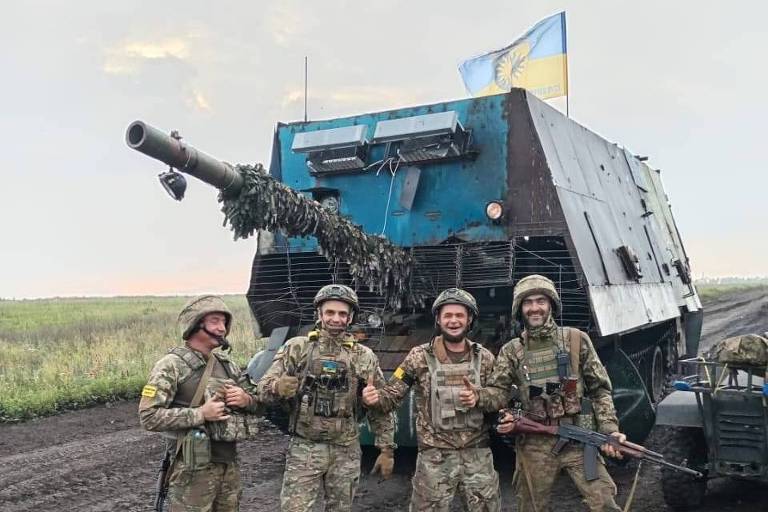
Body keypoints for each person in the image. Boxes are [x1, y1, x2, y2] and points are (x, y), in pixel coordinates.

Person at [475, 275, 626, 512]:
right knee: (531, 507)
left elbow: (600, 389)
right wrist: (478, 397)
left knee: (604, 502)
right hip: (534, 442)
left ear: (551, 305)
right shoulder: (512, 351)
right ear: (520, 309)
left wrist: (609, 429)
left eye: (541, 301)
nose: (534, 308)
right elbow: (498, 394)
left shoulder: (577, 340)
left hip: (579, 438)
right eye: (528, 303)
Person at [256, 284, 396, 512]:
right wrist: (277, 387)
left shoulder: (363, 356)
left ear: (350, 318)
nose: (336, 319)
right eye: (330, 312)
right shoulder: (297, 348)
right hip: (305, 447)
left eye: (342, 314)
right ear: (319, 314)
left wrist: (387, 449)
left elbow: (383, 406)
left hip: (345, 450)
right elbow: (261, 391)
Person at [362, 288, 500, 512]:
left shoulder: (484, 358)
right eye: (448, 315)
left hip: (477, 457)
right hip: (434, 460)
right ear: (438, 319)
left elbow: (499, 398)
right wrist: (375, 398)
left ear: (470, 319)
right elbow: (391, 397)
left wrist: (480, 396)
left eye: (459, 315)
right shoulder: (419, 357)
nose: (453, 321)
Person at [139, 294, 263, 512]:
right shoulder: (171, 366)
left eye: (224, 322)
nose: (222, 328)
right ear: (195, 324)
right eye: (215, 321)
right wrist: (200, 414)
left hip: (228, 468)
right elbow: (149, 417)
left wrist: (246, 399)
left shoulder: (228, 366)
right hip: (191, 472)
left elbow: (260, 402)